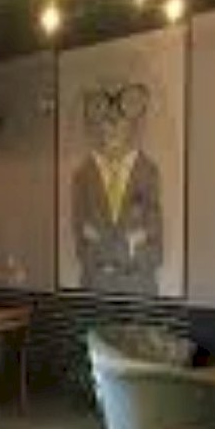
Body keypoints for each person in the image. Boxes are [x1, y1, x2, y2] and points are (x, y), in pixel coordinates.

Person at [70, 80, 164, 295]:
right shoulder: (82, 176)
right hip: (95, 289)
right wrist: (130, 243)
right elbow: (81, 244)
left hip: (138, 289)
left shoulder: (148, 172)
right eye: (105, 120)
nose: (112, 127)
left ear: (132, 124)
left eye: (119, 120)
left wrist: (111, 249)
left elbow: (156, 247)